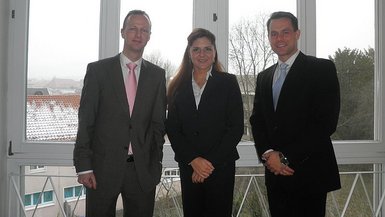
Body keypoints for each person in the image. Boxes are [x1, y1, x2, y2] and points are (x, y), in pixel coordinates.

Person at [73, 10, 166, 217]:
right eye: (133, 28)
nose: (138, 34)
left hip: (141, 171)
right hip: (101, 170)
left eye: (144, 30)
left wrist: (155, 163)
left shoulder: (157, 75)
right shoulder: (98, 71)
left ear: (149, 36)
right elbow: (86, 120)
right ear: (122, 32)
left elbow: (158, 124)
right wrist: (84, 166)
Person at [249, 11, 341, 217]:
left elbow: (325, 123)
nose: (279, 38)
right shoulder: (264, 77)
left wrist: (285, 157)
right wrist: (267, 155)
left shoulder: (321, 69)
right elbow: (257, 121)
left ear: (297, 34)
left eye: (285, 32)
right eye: (273, 34)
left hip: (309, 174)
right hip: (275, 175)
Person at [166, 28, 244, 217]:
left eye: (207, 49)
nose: (202, 54)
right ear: (189, 53)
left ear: (214, 52)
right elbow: (173, 129)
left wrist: (207, 165)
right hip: (189, 168)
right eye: (196, 49)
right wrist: (194, 160)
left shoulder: (229, 82)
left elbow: (235, 128)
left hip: (221, 168)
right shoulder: (176, 86)